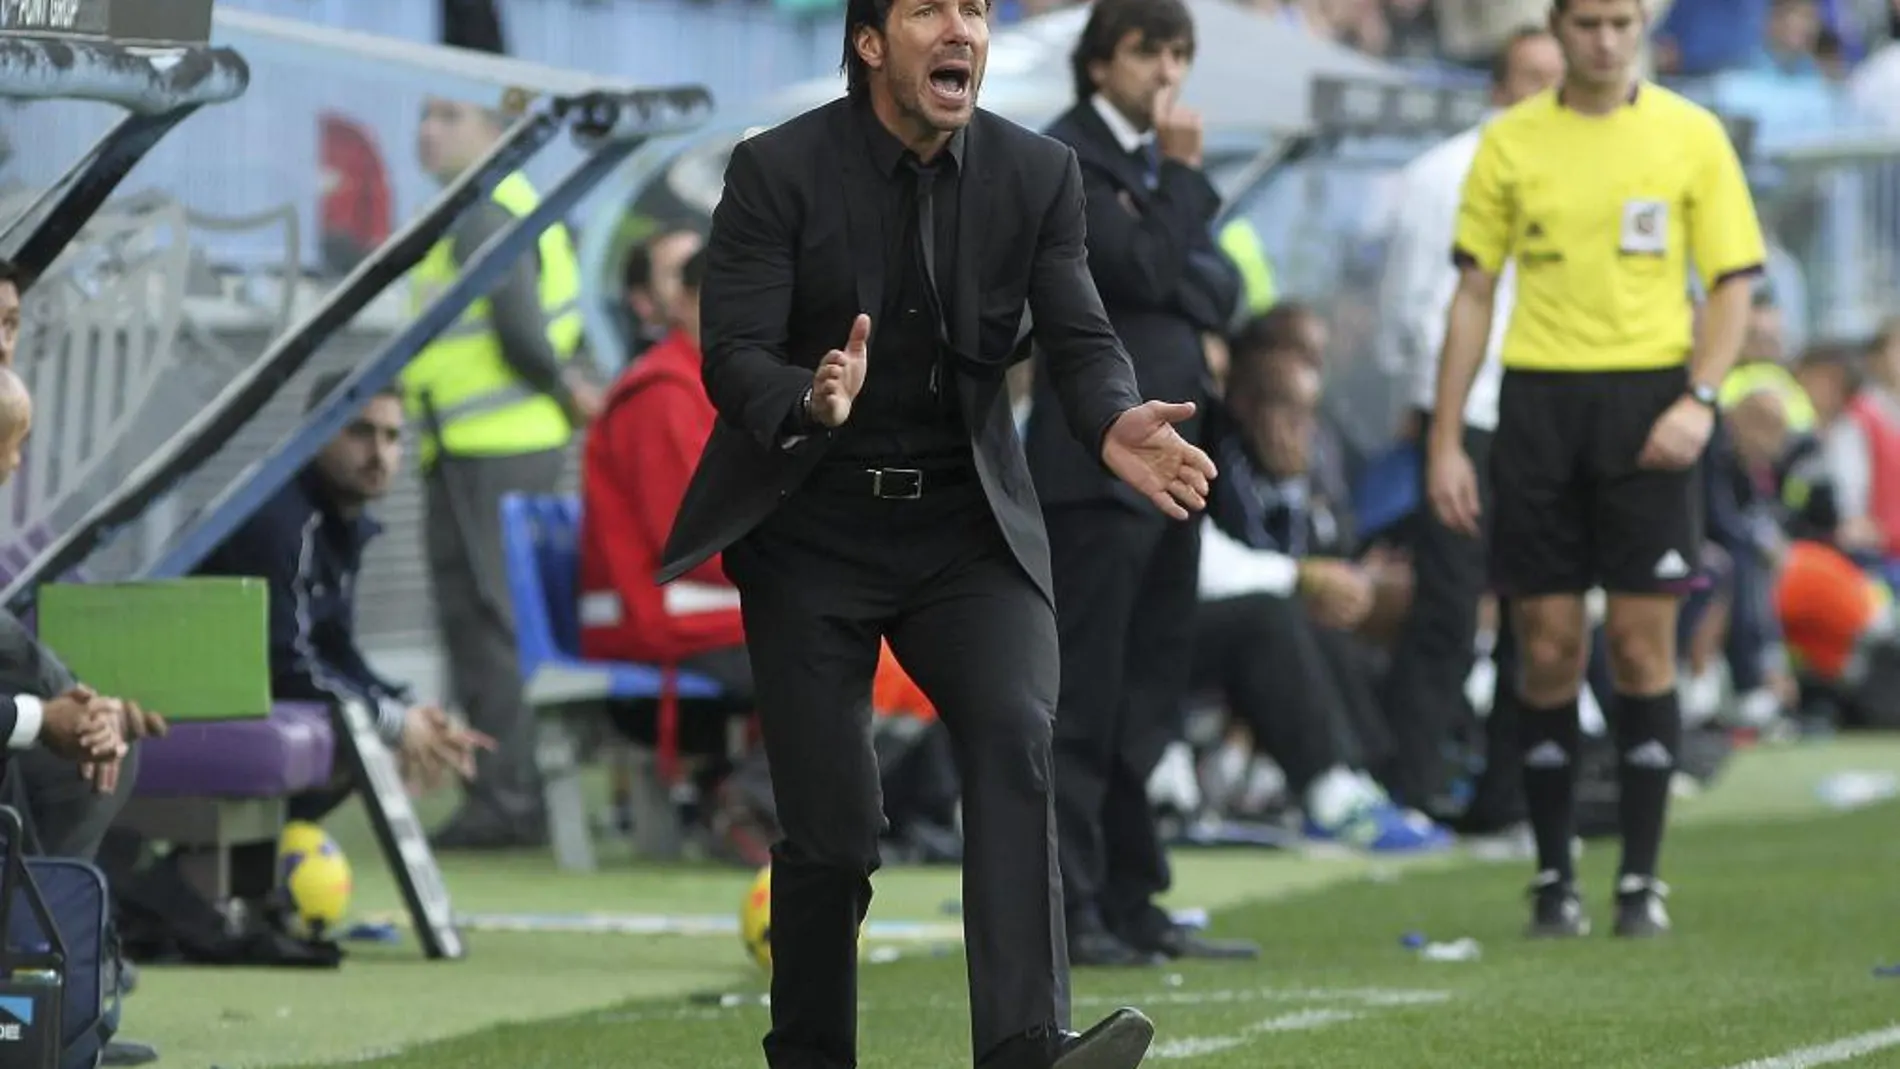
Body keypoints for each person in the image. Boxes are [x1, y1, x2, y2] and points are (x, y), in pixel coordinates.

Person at [659, 0, 1217, 1062]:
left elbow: (1082, 337)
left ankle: (1021, 1045)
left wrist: (1111, 418)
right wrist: (808, 396)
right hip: (808, 530)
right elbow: (729, 354)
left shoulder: (1037, 174)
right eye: (929, 9)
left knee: (1014, 735)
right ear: (871, 41)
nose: (960, 27)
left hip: (965, 529)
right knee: (836, 835)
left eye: (975, 8)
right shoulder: (775, 170)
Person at [1426, 0, 1766, 939]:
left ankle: (1642, 881)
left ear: (1646, 25)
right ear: (1559, 27)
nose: (1606, 39)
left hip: (1650, 403)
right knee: (1544, 645)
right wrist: (1447, 435)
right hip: (1538, 404)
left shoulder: (1691, 136)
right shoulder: (1510, 142)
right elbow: (1473, 291)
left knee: (1642, 647)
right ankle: (1552, 874)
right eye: (1587, 23)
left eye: (1622, 21)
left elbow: (1734, 280)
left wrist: (1699, 400)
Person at [1024, 0, 1253, 968]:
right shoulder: (1064, 160)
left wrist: (1171, 229)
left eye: (1179, 52)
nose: (1167, 71)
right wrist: (1185, 188)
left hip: (1177, 463)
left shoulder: (1158, 169)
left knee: (1148, 693)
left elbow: (1219, 288)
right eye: (1147, 50)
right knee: (1084, 697)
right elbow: (1152, 266)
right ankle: (1068, 907)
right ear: (1098, 61)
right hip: (1093, 467)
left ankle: (1132, 893)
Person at [1376, 24, 1564, 816]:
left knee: (1540, 611)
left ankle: (1505, 795)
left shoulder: (1575, 170)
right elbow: (1410, 308)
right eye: (1528, 78)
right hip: (1470, 416)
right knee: (1448, 610)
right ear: (1497, 86)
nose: (1544, 95)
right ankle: (1411, 788)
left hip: (1551, 415)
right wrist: (1436, 421)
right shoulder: (1445, 175)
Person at [404, 96, 599, 850]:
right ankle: (507, 795)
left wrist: (560, 387)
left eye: (447, 116)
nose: (427, 130)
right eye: (426, 117)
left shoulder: (489, 211)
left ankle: (506, 802)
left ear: (494, 130)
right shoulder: (499, 206)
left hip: (491, 444)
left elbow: (519, 331)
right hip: (486, 442)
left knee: (490, 623)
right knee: (490, 622)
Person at [197, 372, 495, 801]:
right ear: (314, 435)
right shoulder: (281, 520)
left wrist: (405, 706)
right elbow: (285, 667)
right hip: (203, 707)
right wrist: (391, 720)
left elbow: (334, 649)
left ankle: (217, 868)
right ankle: (198, 869)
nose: (379, 454)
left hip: (247, 697)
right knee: (363, 735)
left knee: (371, 727)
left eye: (392, 437)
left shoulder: (339, 522)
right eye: (360, 432)